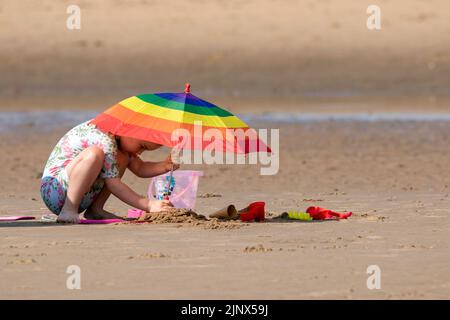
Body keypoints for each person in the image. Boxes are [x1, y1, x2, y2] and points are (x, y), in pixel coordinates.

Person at [40, 119, 179, 223]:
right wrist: (148, 204)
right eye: (141, 146)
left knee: (120, 159)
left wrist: (166, 165)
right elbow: (113, 184)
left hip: (82, 195)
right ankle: (69, 209)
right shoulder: (104, 138)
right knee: (94, 154)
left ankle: (96, 209)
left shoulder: (122, 148)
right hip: (55, 189)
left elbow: (140, 168)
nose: (140, 152)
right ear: (128, 129)